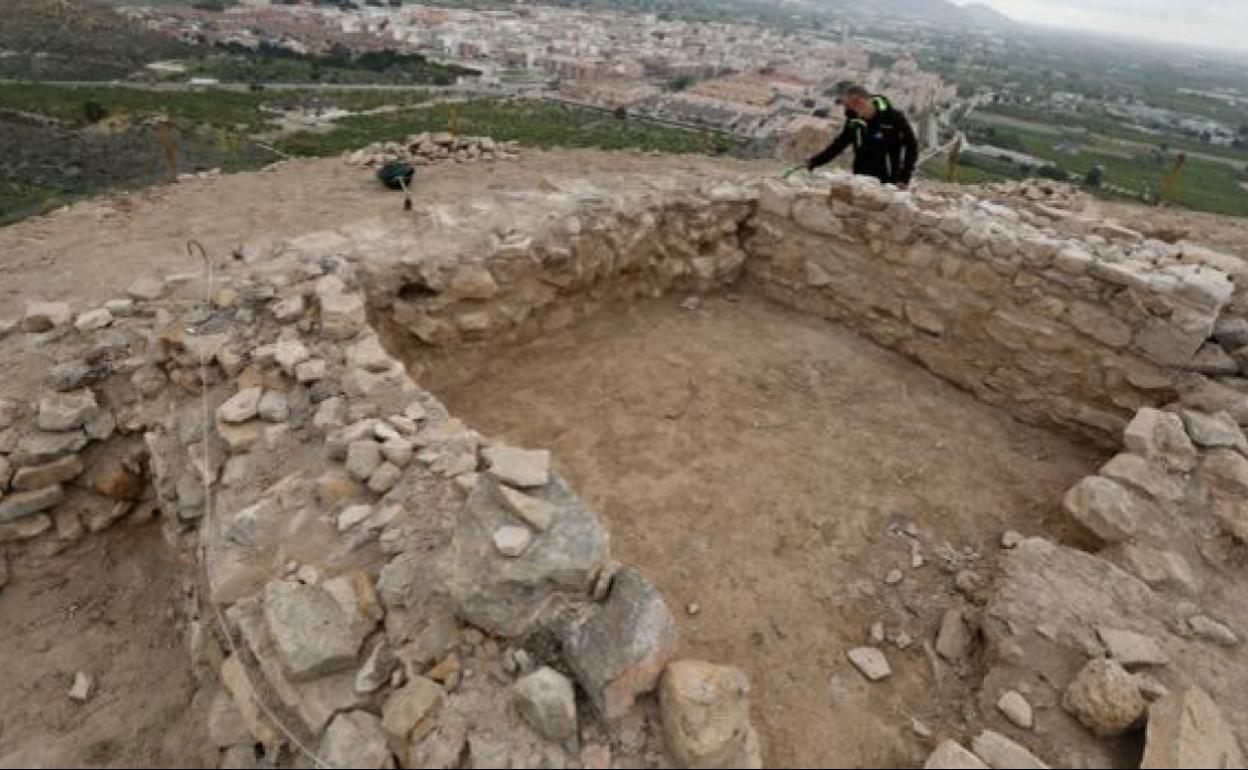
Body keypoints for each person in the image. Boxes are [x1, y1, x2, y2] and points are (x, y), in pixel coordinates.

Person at [805, 85, 918, 188]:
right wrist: (814, 162)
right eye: (847, 106)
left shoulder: (893, 118)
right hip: (860, 179)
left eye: (849, 105)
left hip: (888, 181)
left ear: (860, 101)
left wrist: (904, 178)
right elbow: (839, 144)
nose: (848, 109)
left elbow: (911, 146)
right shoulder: (855, 121)